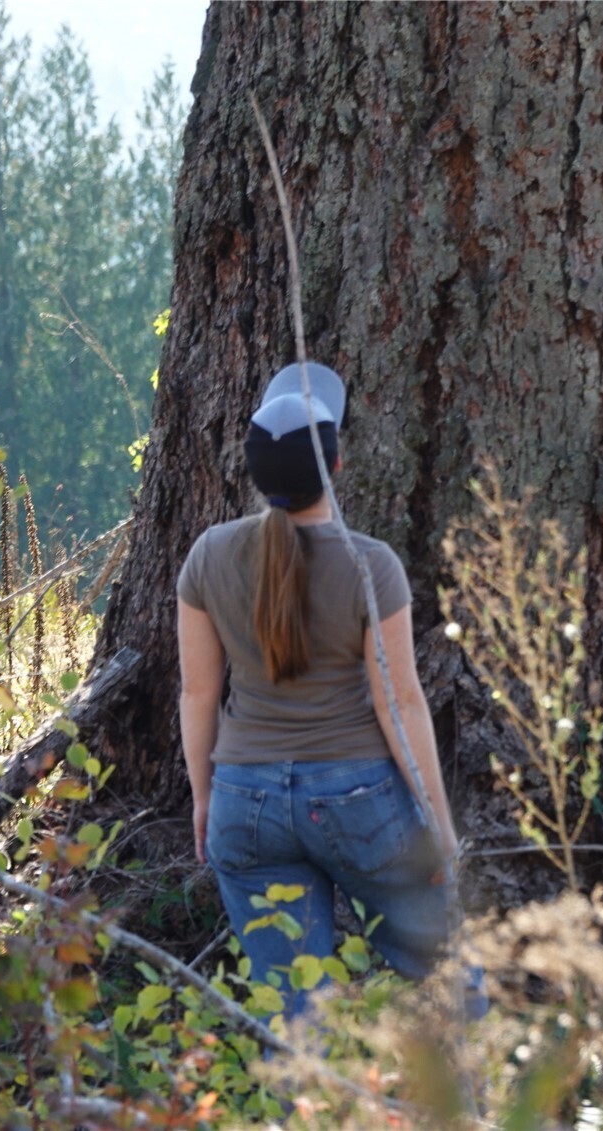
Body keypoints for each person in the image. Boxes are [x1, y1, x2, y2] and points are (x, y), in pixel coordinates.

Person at [176, 361, 461, 1019]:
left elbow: (196, 691)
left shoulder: (208, 555)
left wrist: (202, 797)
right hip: (359, 800)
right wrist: (437, 825)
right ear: (335, 461)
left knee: (294, 1008)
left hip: (243, 803)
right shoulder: (371, 565)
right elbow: (399, 703)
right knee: (448, 975)